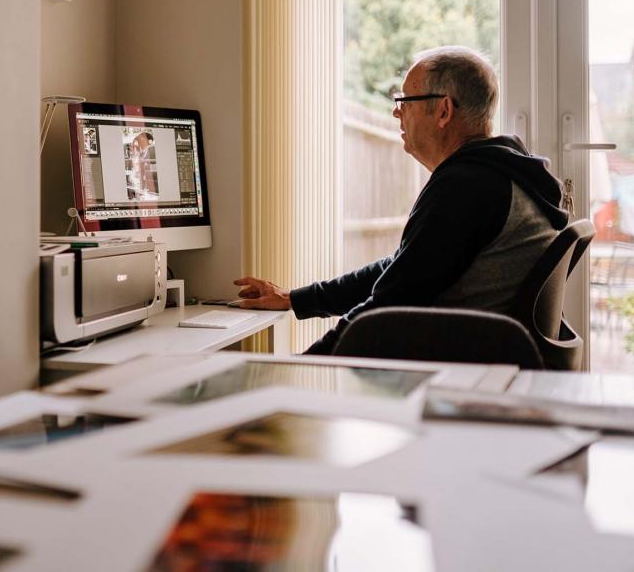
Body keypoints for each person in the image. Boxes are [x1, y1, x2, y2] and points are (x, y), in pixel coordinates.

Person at [234, 46, 569, 355]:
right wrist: (295, 299)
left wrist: (303, 368)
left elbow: (389, 305)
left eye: (405, 101)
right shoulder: (496, 173)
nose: (397, 114)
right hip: (479, 362)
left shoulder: (468, 185)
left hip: (456, 370)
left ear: (443, 110)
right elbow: (402, 270)